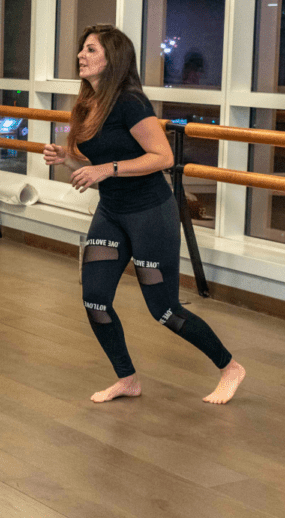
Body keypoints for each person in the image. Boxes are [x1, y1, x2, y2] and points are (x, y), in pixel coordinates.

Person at [43, 24, 245, 404]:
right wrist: (69, 160)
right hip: (112, 212)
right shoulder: (90, 103)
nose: (80, 56)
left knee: (165, 310)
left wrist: (107, 170)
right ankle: (127, 379)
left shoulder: (129, 102)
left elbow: (163, 158)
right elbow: (99, 162)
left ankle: (230, 367)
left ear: (112, 59)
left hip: (150, 214)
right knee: (95, 300)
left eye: (90, 50)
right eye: (82, 49)